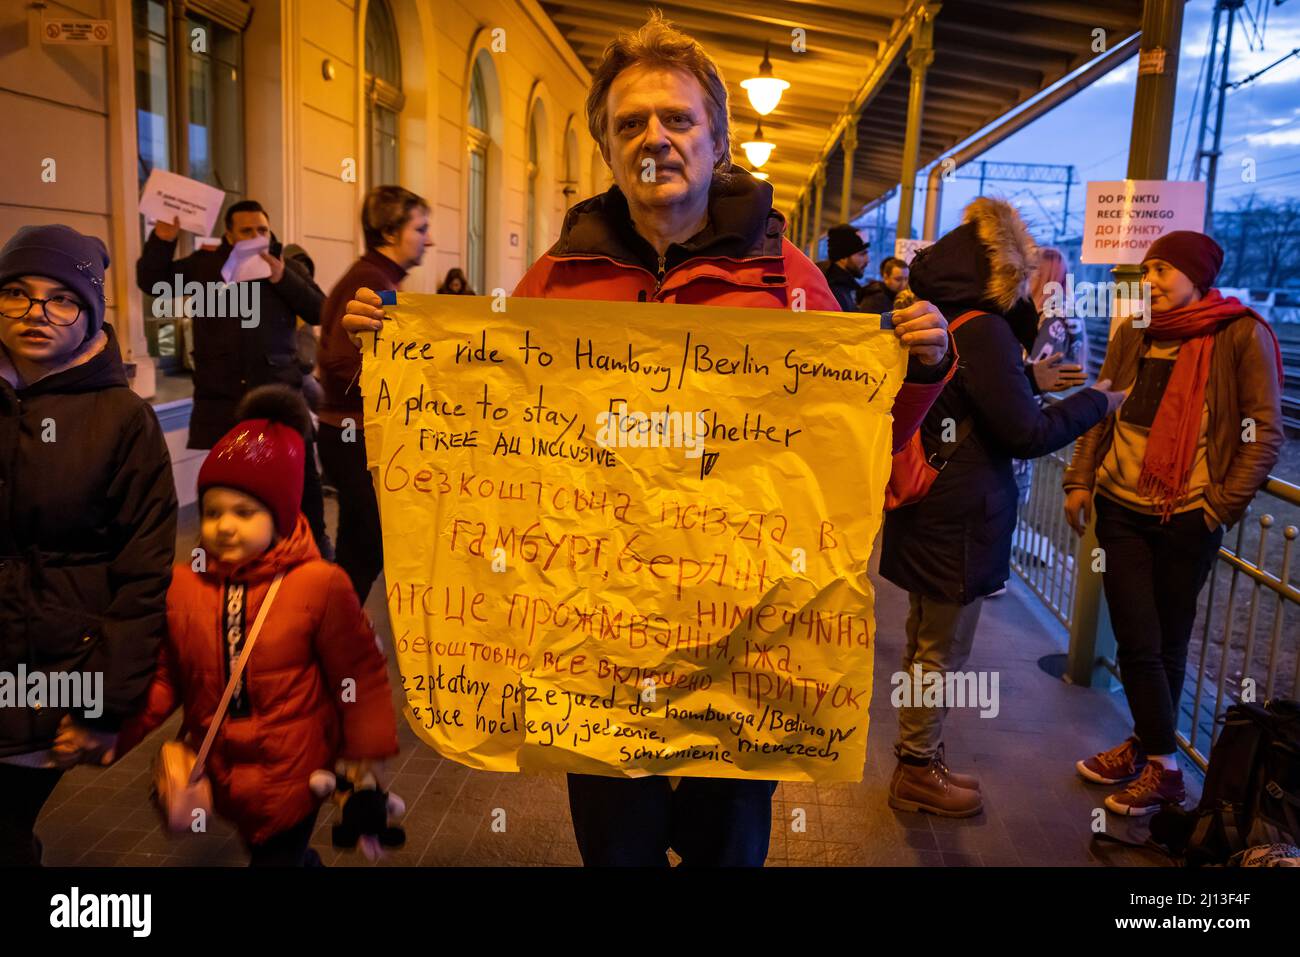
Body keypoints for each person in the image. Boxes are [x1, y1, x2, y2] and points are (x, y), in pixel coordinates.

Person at [342, 12, 958, 867]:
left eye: (677, 119)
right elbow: (483, 422)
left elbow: (853, 448)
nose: (655, 138)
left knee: (726, 850)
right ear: (605, 144)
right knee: (615, 849)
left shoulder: (789, 280)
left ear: (717, 143)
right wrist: (392, 348)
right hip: (593, 643)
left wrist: (922, 366)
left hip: (745, 641)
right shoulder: (556, 278)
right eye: (630, 122)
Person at [879, 197, 1129, 818]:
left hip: (929, 506)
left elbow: (971, 398)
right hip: (962, 516)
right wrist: (1100, 401)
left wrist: (1031, 383)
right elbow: (1024, 434)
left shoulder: (950, 319)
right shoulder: (985, 330)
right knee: (942, 649)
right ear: (1004, 272)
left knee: (922, 640)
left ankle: (918, 754)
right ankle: (916, 769)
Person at [111, 385, 400, 865]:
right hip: (225, 769)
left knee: (276, 857)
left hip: (296, 769)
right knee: (275, 856)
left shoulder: (318, 585)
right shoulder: (184, 587)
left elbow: (359, 675)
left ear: (281, 517)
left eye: (244, 513)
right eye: (212, 512)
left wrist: (366, 753)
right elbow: (167, 675)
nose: (225, 526)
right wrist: (112, 732)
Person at [1065, 231, 1283, 816]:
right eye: (1147, 270)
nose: (1150, 281)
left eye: (1162, 270)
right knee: (1139, 636)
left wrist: (1218, 507)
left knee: (1167, 640)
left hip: (1188, 513)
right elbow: (1102, 404)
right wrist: (1080, 479)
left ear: (1196, 275)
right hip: (1120, 507)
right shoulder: (1135, 330)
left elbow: (1263, 433)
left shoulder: (1240, 334)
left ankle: (1146, 749)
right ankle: (1164, 763)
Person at [0, 225, 177, 865]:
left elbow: (143, 577)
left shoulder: (123, 421)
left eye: (62, 299)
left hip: (54, 677)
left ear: (89, 312)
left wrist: (101, 703)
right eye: (17, 293)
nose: (36, 314)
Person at [136, 200, 331, 555]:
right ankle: (236, 561)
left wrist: (282, 277)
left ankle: (316, 553)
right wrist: (162, 239)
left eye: (262, 229)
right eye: (247, 231)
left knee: (303, 482)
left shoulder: (283, 265)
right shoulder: (207, 265)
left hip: (279, 397)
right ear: (229, 234)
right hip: (222, 398)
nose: (257, 237)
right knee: (233, 482)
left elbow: (320, 309)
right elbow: (153, 282)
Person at [316, 186, 432, 603]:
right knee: (367, 545)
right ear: (389, 232)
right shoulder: (371, 282)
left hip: (351, 434)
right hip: (353, 435)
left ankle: (338, 631)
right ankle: (334, 634)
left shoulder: (375, 277)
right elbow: (340, 362)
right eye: (420, 229)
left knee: (360, 545)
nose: (428, 239)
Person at [818, 223, 870, 312]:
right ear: (843, 257)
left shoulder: (845, 285)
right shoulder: (832, 291)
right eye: (862, 254)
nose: (867, 260)